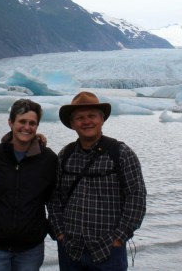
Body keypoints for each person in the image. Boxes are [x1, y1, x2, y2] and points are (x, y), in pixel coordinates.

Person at [48, 91, 147, 271]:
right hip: (71, 249)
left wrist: (119, 238)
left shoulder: (122, 153)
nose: (86, 122)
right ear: (72, 123)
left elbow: (136, 198)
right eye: (80, 118)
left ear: (102, 119)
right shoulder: (65, 155)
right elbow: (54, 197)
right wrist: (59, 233)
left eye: (92, 116)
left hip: (108, 251)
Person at [0, 99, 58, 271]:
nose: (26, 127)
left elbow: (55, 199)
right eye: (22, 121)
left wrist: (56, 229)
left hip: (30, 248)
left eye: (32, 123)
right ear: (11, 122)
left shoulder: (48, 159)